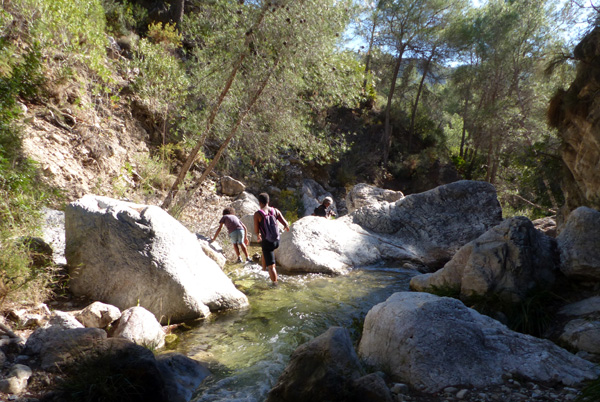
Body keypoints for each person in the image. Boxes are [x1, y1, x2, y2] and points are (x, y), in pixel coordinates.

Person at [254, 193, 289, 284]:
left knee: (271, 266)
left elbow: (256, 230)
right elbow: (286, 224)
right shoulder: (275, 211)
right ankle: (263, 270)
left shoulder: (258, 214)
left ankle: (275, 284)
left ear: (259, 202)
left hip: (267, 242)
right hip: (276, 241)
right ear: (268, 201)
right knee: (264, 251)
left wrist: (258, 235)